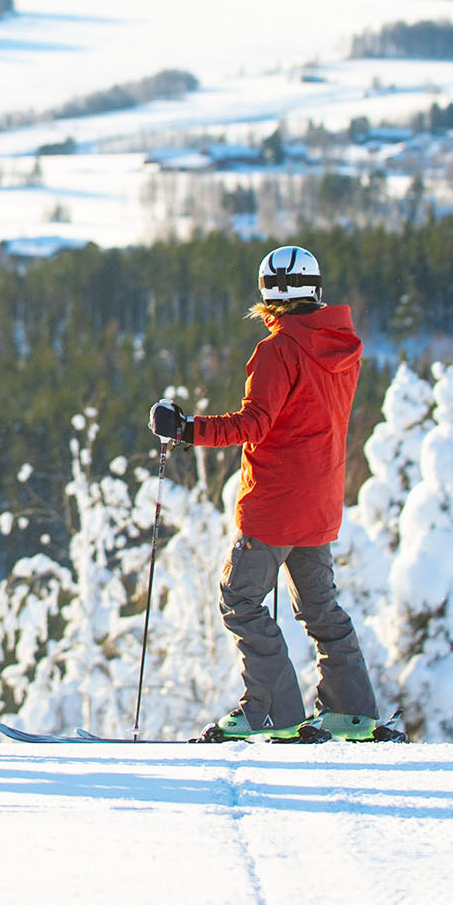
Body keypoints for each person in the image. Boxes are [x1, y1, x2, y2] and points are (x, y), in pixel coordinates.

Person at [150, 245, 385, 742]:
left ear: (267, 293)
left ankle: (272, 710)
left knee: (240, 598)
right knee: (321, 607)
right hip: (320, 502)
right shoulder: (342, 346)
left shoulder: (277, 351)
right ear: (315, 290)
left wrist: (186, 428)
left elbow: (253, 424)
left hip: (277, 503)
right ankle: (351, 712)